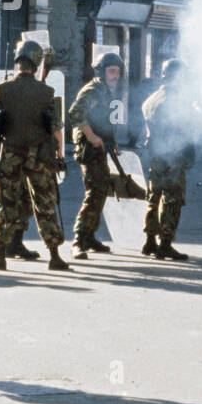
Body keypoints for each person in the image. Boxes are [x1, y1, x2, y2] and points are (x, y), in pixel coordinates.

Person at [0, 40, 69, 273]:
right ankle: (54, 256)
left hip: (10, 153)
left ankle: (1, 256)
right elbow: (57, 129)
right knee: (45, 204)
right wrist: (60, 155)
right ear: (36, 63)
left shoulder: (2, 89)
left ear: (18, 60)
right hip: (39, 155)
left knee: (7, 204)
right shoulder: (47, 92)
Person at [67, 51, 123, 259]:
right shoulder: (92, 90)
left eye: (117, 71)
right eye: (111, 71)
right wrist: (91, 136)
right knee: (94, 193)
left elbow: (105, 120)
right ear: (101, 72)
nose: (115, 75)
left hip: (102, 148)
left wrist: (111, 141)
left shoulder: (106, 92)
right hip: (89, 150)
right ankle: (78, 240)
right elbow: (75, 113)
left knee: (101, 191)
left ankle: (89, 237)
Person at [140, 58, 195, 261]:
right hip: (172, 155)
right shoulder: (177, 101)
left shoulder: (151, 99)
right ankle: (165, 243)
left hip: (156, 155)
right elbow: (183, 128)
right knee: (173, 200)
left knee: (154, 198)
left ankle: (149, 241)